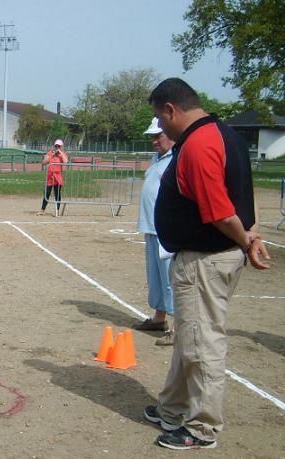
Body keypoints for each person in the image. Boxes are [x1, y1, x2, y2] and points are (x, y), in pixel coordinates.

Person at [144, 77, 270, 450]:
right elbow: (247, 198)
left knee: (203, 343)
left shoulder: (199, 143)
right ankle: (172, 408)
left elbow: (219, 210)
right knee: (189, 336)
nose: (161, 127)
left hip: (205, 260)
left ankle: (201, 427)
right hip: (206, 256)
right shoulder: (227, 134)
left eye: (160, 118)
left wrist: (246, 239)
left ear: (172, 109)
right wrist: (252, 233)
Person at [132, 118, 175, 345]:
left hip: (167, 228)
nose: (154, 141)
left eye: (158, 136)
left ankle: (179, 328)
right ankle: (159, 318)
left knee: (171, 279)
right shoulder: (157, 158)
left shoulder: (177, 157)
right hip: (151, 226)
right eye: (152, 137)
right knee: (156, 277)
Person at [37, 139, 68, 216]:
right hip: (50, 176)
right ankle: (42, 210)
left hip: (58, 177)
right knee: (47, 193)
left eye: (59, 146)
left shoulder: (62, 154)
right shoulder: (50, 153)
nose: (57, 147)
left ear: (61, 147)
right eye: (56, 146)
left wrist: (60, 152)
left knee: (57, 194)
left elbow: (65, 161)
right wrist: (52, 155)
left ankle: (57, 210)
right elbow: (44, 162)